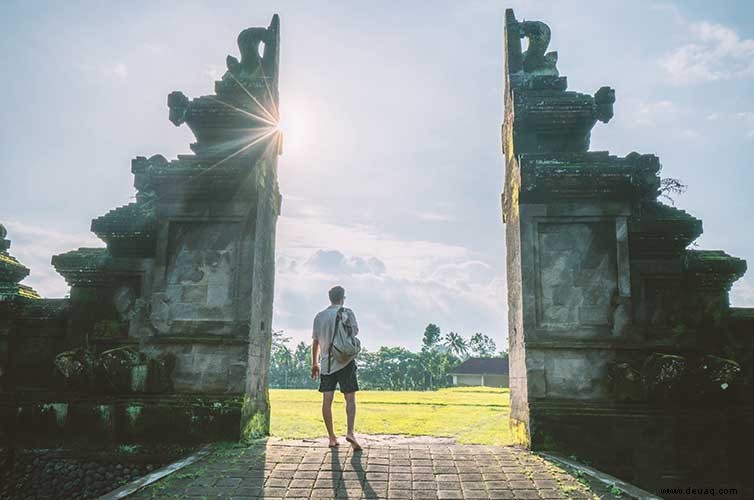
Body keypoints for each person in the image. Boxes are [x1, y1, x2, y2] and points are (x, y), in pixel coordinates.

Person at [311, 285, 362, 450]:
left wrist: (315, 363)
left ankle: (332, 437)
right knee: (350, 398)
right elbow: (355, 332)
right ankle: (350, 432)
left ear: (330, 298)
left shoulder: (319, 316)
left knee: (327, 400)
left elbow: (315, 342)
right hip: (345, 361)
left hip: (326, 364)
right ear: (342, 298)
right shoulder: (347, 312)